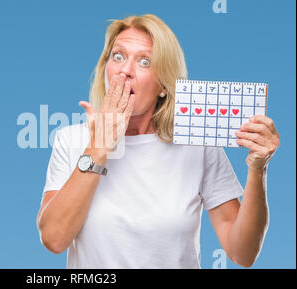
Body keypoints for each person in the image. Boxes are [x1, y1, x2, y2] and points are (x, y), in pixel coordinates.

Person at [36, 14, 280, 269]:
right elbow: (53, 239)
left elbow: (242, 254)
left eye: (144, 62)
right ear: (105, 68)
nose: (125, 71)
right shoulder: (71, 140)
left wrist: (257, 168)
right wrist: (98, 146)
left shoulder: (197, 145)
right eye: (118, 56)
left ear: (163, 85)